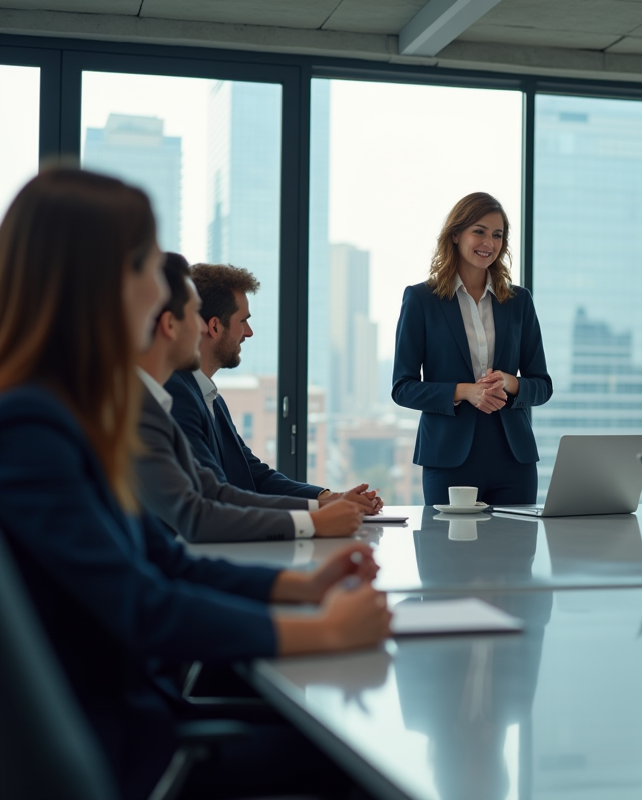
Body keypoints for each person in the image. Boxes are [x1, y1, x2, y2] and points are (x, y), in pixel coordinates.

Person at [0, 168, 393, 799]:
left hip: (149, 724)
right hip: (137, 757)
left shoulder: (71, 415)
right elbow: (142, 606)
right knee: (365, 769)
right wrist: (321, 630)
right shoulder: (30, 428)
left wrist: (304, 585)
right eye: (149, 269)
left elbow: (165, 561)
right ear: (96, 284)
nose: (162, 293)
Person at [135, 254, 366, 543]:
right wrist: (313, 518)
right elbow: (205, 507)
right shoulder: (169, 397)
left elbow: (245, 477)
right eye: (243, 321)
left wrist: (325, 500)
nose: (249, 332)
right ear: (213, 326)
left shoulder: (209, 397)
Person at [392, 192, 553, 506]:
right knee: (449, 554)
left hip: (514, 460)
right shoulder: (421, 300)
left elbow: (543, 386)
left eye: (497, 235)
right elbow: (403, 388)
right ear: (455, 234)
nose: (488, 243)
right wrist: (465, 391)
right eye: (479, 231)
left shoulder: (519, 302)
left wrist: (510, 382)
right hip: (448, 460)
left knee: (515, 555)